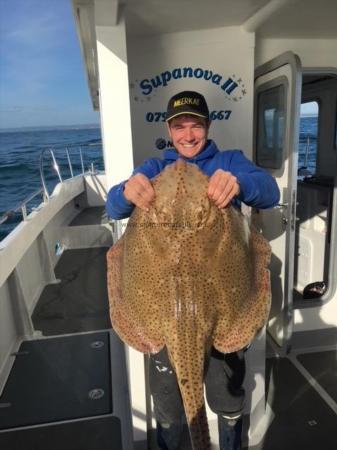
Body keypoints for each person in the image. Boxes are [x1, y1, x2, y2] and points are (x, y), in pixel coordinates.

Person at [106, 90, 280, 450]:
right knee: (170, 407)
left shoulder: (229, 162)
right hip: (163, 313)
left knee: (228, 399)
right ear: (170, 131)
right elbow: (114, 206)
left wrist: (240, 184)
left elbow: (269, 191)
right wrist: (127, 191)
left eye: (195, 125)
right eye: (180, 126)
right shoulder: (154, 170)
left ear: (207, 127)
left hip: (221, 309)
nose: (188, 135)